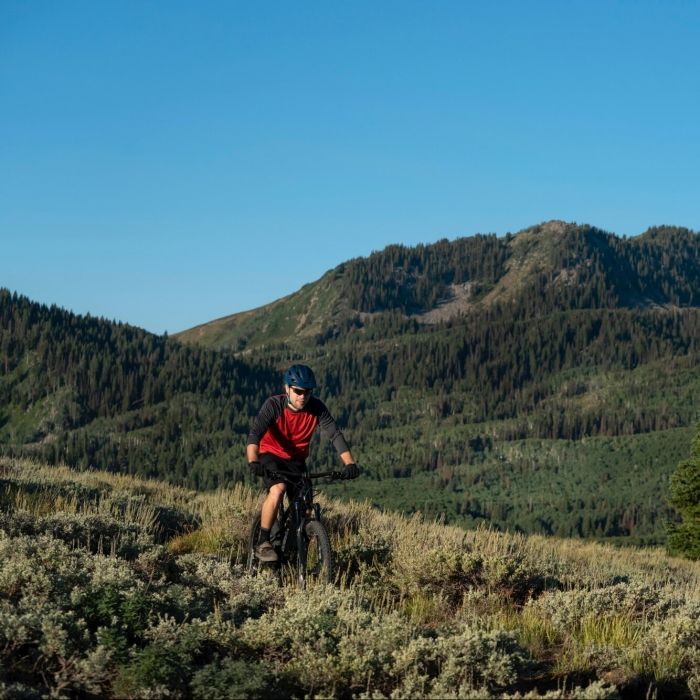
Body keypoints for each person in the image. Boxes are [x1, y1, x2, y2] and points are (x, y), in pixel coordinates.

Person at [247, 363, 360, 561]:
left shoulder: (316, 408)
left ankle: (292, 551)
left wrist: (350, 464)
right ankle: (263, 541)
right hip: (270, 455)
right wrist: (253, 461)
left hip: (297, 461)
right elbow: (255, 434)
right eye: (298, 391)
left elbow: (334, 435)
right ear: (287, 389)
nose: (303, 396)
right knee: (278, 489)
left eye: (307, 392)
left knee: (307, 510)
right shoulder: (274, 405)